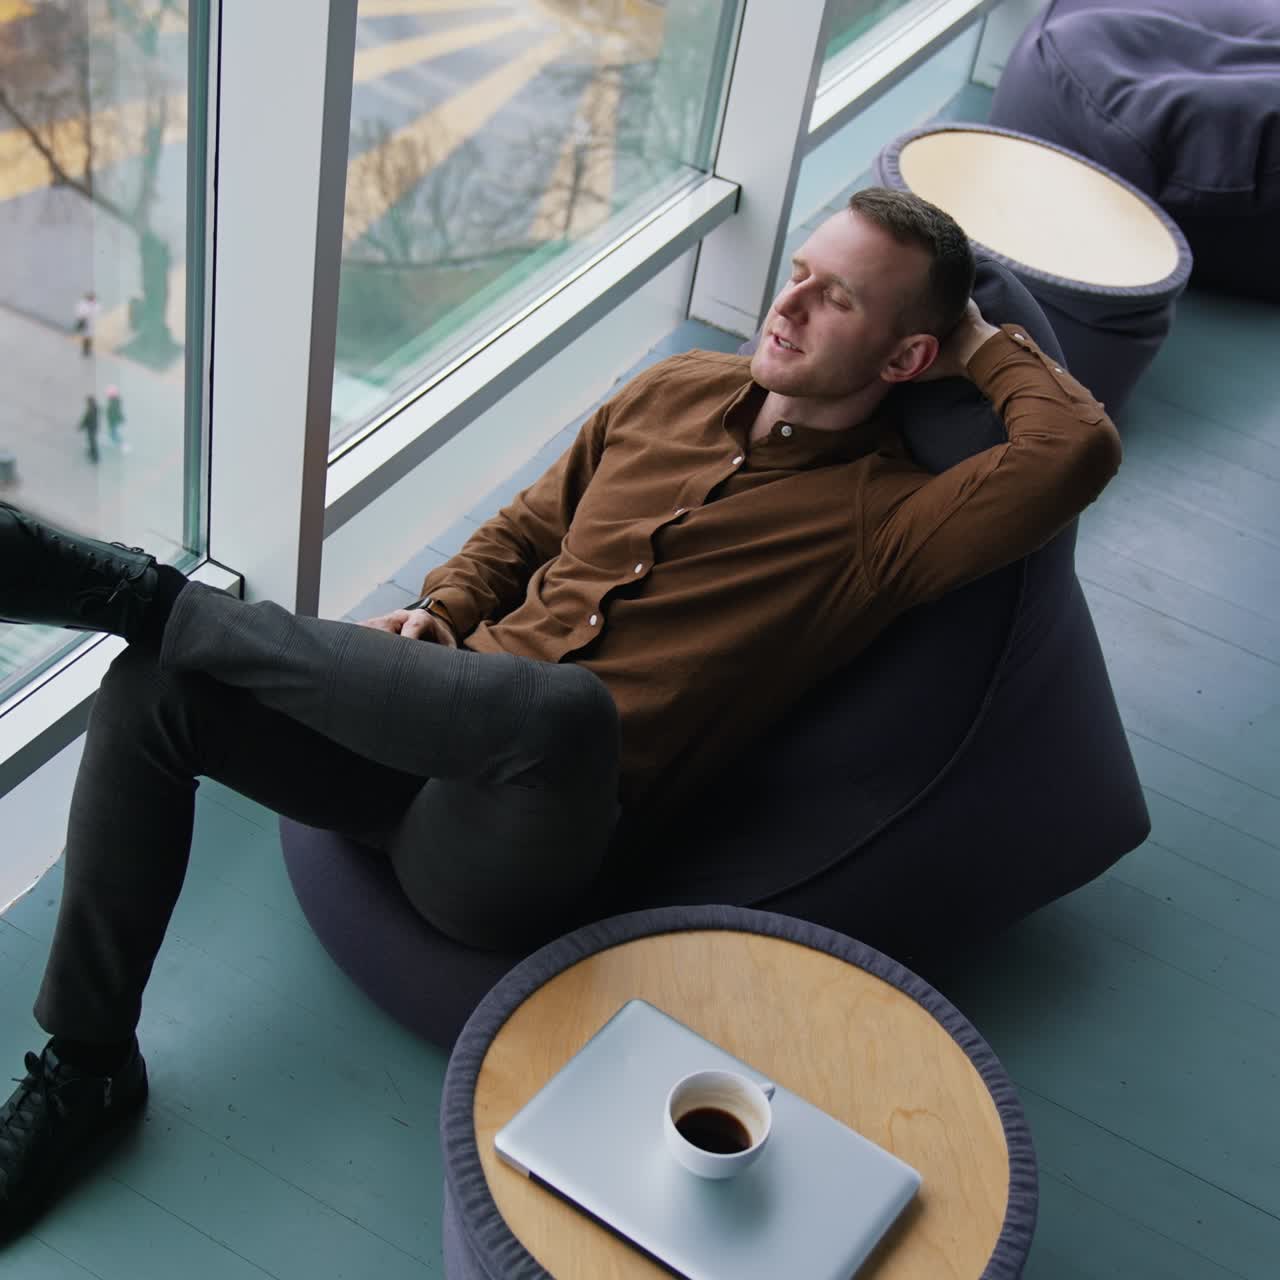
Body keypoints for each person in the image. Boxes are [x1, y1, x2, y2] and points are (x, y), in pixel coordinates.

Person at [0, 188, 1122, 1240]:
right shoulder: (670, 390)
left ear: (906, 354)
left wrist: (978, 341)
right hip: (414, 736)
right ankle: (88, 1062)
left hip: (520, 840)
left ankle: (129, 591)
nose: (786, 304)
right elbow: (523, 534)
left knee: (565, 713)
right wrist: (440, 611)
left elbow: (1072, 448)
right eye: (797, 271)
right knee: (155, 686)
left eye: (835, 296)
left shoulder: (888, 527)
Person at [73, 291, 100, 358]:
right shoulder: (83, 303)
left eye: (92, 297)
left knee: (90, 336)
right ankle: (85, 350)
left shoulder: (96, 305)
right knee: (86, 335)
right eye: (91, 297)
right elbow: (79, 311)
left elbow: (96, 313)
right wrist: (82, 317)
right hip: (84, 321)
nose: (91, 298)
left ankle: (88, 350)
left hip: (91, 322)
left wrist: (88, 315)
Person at [104, 386, 129, 452]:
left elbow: (113, 412)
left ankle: (122, 444)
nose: (107, 396)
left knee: (113, 433)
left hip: (113, 421)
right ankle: (117, 442)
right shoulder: (115, 401)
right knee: (112, 433)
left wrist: (107, 412)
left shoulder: (114, 403)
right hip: (113, 420)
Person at [77, 395, 100, 464]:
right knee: (92, 441)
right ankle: (92, 454)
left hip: (91, 428)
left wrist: (81, 426)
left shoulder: (90, 410)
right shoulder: (95, 408)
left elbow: (86, 419)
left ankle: (94, 456)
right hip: (94, 427)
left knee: (92, 441)